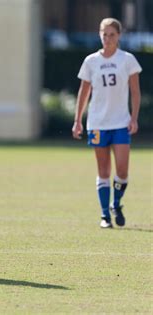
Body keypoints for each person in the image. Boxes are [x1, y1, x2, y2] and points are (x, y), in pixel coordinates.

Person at [72, 18, 142, 229]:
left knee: (122, 170)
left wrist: (134, 117)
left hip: (120, 122)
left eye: (112, 34)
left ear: (119, 36)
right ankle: (104, 215)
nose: (108, 38)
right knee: (103, 170)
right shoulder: (91, 61)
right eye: (104, 34)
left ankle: (116, 203)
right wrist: (78, 120)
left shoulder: (127, 59)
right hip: (98, 123)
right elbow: (84, 92)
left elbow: (135, 92)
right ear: (99, 35)